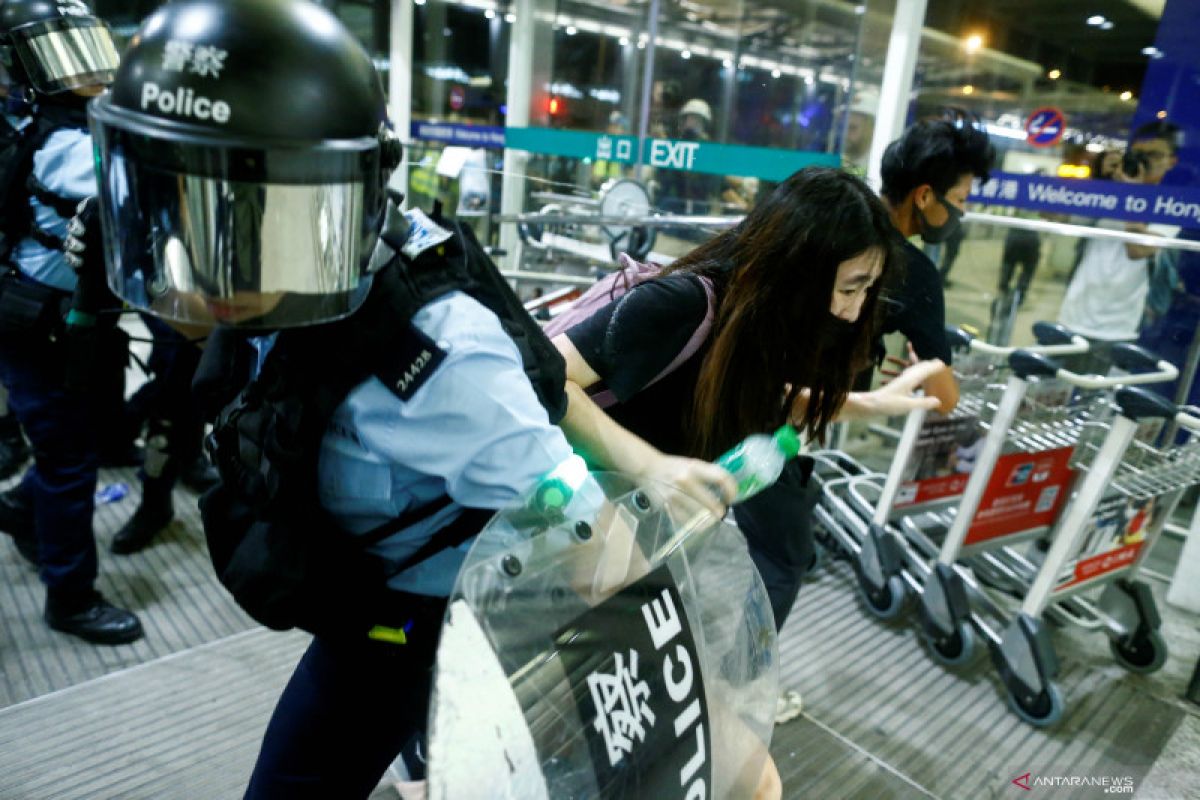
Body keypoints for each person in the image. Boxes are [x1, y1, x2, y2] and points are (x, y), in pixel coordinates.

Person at [83, 2, 780, 797]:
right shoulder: (282, 278)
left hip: (415, 623)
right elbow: (545, 387)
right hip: (357, 576)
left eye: (247, 229)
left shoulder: (439, 360)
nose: (205, 274)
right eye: (185, 219)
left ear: (342, 196)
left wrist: (718, 732)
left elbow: (590, 543)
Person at [552, 167, 944, 634]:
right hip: (566, 514)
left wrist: (870, 404)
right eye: (849, 287)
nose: (853, 310)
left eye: (866, 290)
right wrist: (650, 465)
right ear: (800, 268)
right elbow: (548, 377)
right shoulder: (682, 303)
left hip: (634, 522)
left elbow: (753, 394)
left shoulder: (755, 324)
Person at [0, 0, 141, 644]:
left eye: (85, 47)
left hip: (67, 321)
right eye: (59, 55)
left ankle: (20, 509)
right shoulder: (65, 145)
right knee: (70, 463)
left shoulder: (70, 125)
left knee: (68, 449)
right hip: (42, 327)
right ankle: (71, 597)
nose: (86, 69)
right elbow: (144, 189)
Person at [875, 119, 996, 413]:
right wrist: (923, 374)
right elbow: (944, 399)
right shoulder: (914, 273)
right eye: (960, 199)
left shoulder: (826, 215)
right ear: (925, 196)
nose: (962, 211)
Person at [1059, 121, 1182, 373]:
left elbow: (1137, 251)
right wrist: (1097, 179)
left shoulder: (1170, 207)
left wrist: (1131, 194)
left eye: (1154, 155)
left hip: (1117, 327)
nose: (1145, 161)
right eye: (1139, 154)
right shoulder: (1111, 194)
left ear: (1171, 161)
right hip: (1073, 314)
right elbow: (1054, 217)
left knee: (1095, 405)